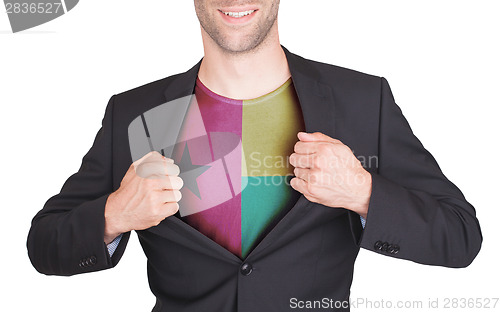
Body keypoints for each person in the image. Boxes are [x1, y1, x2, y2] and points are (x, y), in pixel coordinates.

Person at [27, 1, 482, 311]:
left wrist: (363, 192)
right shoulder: (134, 113)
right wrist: (114, 214)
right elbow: (44, 245)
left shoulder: (363, 100)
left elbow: (460, 236)